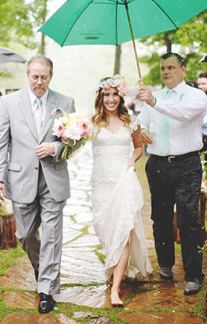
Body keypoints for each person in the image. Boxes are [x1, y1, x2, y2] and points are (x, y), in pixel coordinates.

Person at [0, 55, 75, 314]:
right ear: (27, 75)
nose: (39, 82)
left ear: (51, 76)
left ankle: (46, 289)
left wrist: (55, 146)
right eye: (35, 77)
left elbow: (74, 140)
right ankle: (41, 267)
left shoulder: (65, 102)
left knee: (51, 235)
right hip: (21, 178)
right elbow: (0, 141)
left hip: (53, 178)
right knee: (25, 234)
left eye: (44, 77)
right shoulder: (9, 102)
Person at [137, 52, 206, 296]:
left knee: (188, 220)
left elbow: (183, 114)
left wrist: (154, 103)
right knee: (160, 218)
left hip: (186, 165)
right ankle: (165, 264)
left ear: (183, 69)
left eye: (171, 67)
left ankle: (194, 275)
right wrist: (143, 131)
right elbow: (141, 122)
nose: (166, 71)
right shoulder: (152, 98)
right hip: (157, 164)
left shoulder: (195, 96)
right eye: (163, 67)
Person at [91, 76, 152, 307]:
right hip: (101, 185)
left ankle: (115, 289)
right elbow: (74, 142)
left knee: (123, 232)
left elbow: (139, 147)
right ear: (101, 97)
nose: (111, 99)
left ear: (121, 97)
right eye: (106, 94)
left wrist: (131, 162)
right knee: (107, 233)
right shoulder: (93, 122)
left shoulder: (130, 122)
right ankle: (113, 270)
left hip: (123, 181)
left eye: (115, 94)